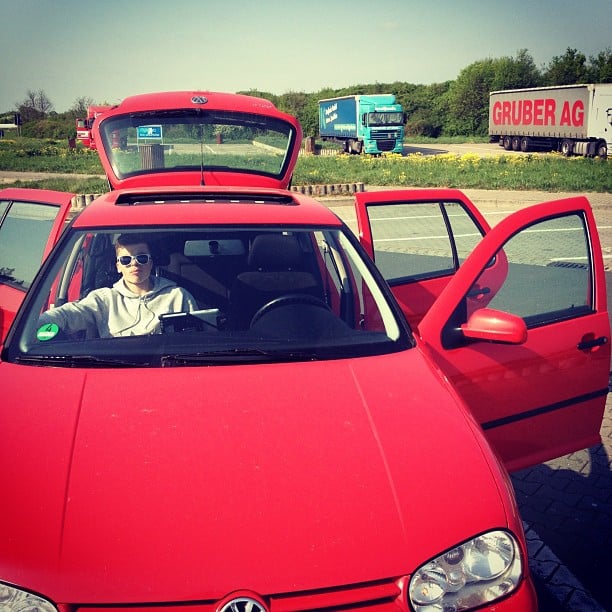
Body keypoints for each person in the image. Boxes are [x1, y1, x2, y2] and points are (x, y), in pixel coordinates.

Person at [39, 233, 198, 337]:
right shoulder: (103, 300)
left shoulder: (178, 296)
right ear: (118, 266)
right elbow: (67, 315)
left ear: (151, 262)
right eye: (126, 260)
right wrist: (36, 324)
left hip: (167, 370)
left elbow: (200, 338)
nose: (134, 264)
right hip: (113, 371)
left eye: (141, 258)